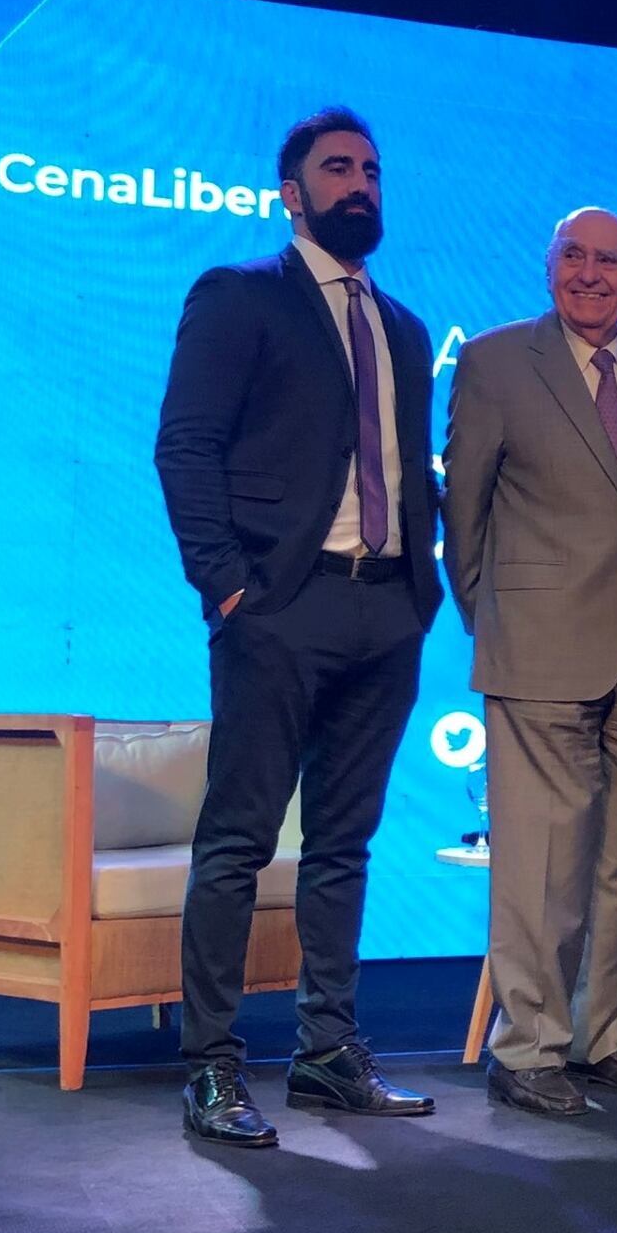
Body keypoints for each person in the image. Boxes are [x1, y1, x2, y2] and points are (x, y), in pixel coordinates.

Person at [156, 106, 440, 1147]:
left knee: (345, 844)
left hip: (386, 606)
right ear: (293, 191)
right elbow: (185, 446)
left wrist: (422, 589)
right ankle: (212, 1067)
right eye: (337, 168)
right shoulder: (240, 297)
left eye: (371, 167)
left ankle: (326, 1053)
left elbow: (407, 471)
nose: (360, 182)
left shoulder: (406, 328)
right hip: (281, 604)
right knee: (236, 841)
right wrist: (228, 587)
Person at [442, 207, 617, 1116]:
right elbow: (461, 515)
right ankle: (530, 1049)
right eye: (575, 257)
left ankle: (603, 1035)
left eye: (611, 261)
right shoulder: (499, 360)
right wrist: (498, 617)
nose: (592, 275)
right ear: (548, 267)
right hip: (538, 642)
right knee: (543, 860)